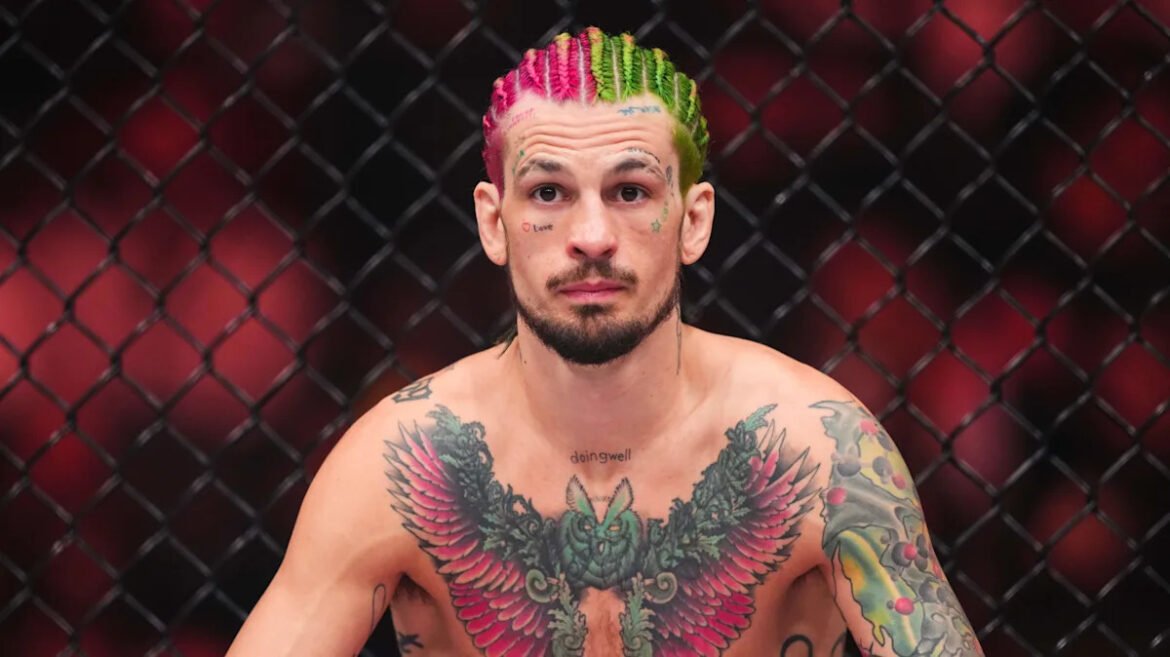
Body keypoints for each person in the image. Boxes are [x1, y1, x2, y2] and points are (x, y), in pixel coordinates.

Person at [226, 27, 985, 657]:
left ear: (693, 220)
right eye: (548, 192)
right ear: (494, 222)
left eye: (629, 191)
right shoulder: (398, 459)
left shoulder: (819, 447)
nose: (591, 236)